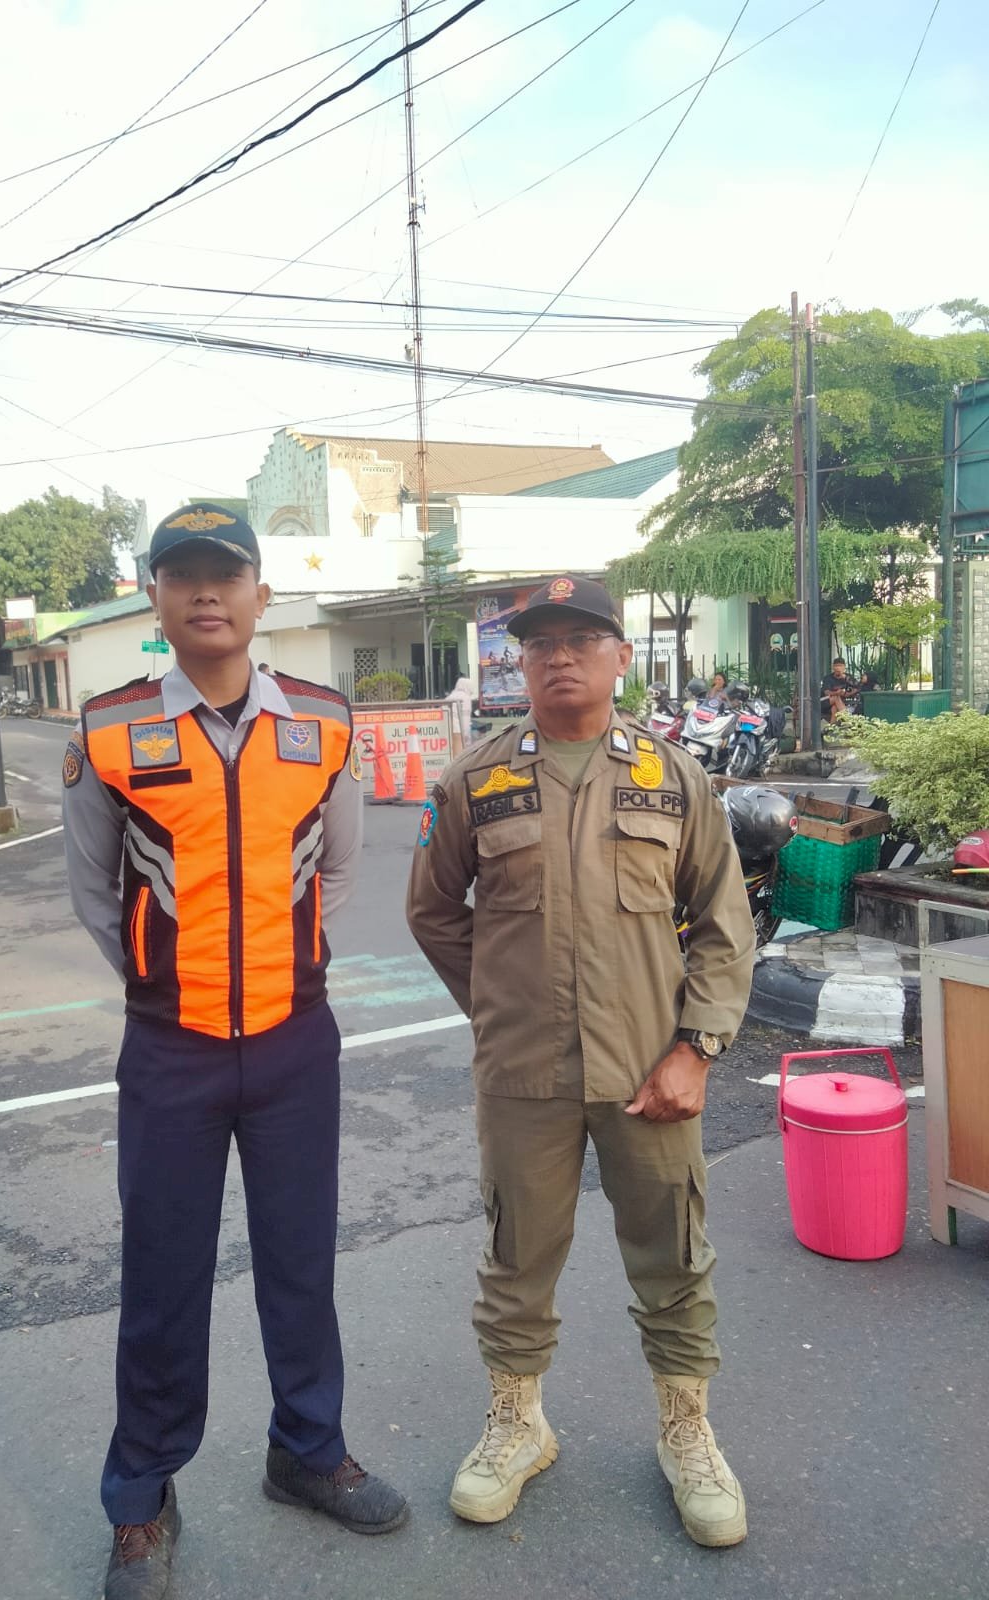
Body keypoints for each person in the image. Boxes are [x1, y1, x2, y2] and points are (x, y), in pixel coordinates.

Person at [63, 503, 407, 1600]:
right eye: (183, 574)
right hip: (171, 1049)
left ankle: (306, 1449)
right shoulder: (110, 728)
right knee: (162, 1280)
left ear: (261, 593)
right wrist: (170, 985)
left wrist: (284, 969)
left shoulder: (322, 721)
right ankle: (142, 1497)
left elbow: (340, 871)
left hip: (296, 1041)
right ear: (156, 598)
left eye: (227, 572)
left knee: (301, 1262)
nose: (206, 592)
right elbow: (92, 890)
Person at [406, 574, 756, 1549]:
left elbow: (725, 926)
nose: (561, 654)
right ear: (520, 660)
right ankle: (519, 1424)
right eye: (542, 640)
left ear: (619, 657)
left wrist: (697, 1048)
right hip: (523, 1077)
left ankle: (687, 1431)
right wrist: (496, 1004)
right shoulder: (471, 780)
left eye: (582, 637)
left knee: (675, 1257)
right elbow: (434, 911)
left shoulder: (673, 778)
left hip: (653, 1073)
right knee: (516, 1259)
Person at [822, 657, 856, 722]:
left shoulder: (848, 677)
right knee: (836, 697)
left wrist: (847, 694)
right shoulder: (828, 678)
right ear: (833, 667)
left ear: (844, 667)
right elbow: (826, 692)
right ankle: (848, 720)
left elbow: (856, 687)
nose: (838, 668)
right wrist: (837, 693)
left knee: (834, 708)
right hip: (826, 701)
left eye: (840, 666)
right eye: (836, 666)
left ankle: (831, 729)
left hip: (841, 703)